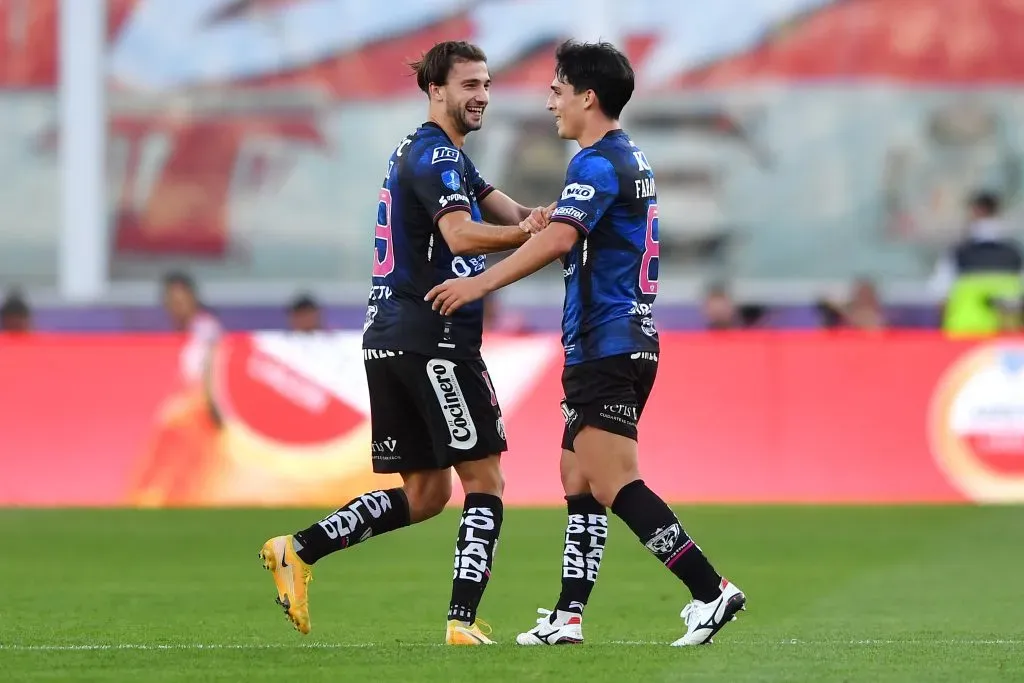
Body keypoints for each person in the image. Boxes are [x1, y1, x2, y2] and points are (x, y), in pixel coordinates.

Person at [426, 39, 746, 647]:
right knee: (576, 475)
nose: (550, 101)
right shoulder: (630, 160)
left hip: (606, 340)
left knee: (612, 479)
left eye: (558, 89)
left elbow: (559, 241)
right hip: (619, 338)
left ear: (587, 97)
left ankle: (710, 591)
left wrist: (479, 286)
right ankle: (568, 616)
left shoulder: (597, 163)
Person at [259, 40, 551, 645]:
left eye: (487, 84)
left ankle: (298, 549)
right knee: (485, 479)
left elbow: (509, 209)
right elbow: (464, 235)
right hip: (432, 337)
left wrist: (545, 219)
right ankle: (462, 622)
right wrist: (527, 238)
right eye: (469, 85)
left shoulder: (437, 155)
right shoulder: (436, 158)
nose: (482, 96)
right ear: (435, 90)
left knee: (424, 493)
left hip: (392, 337)